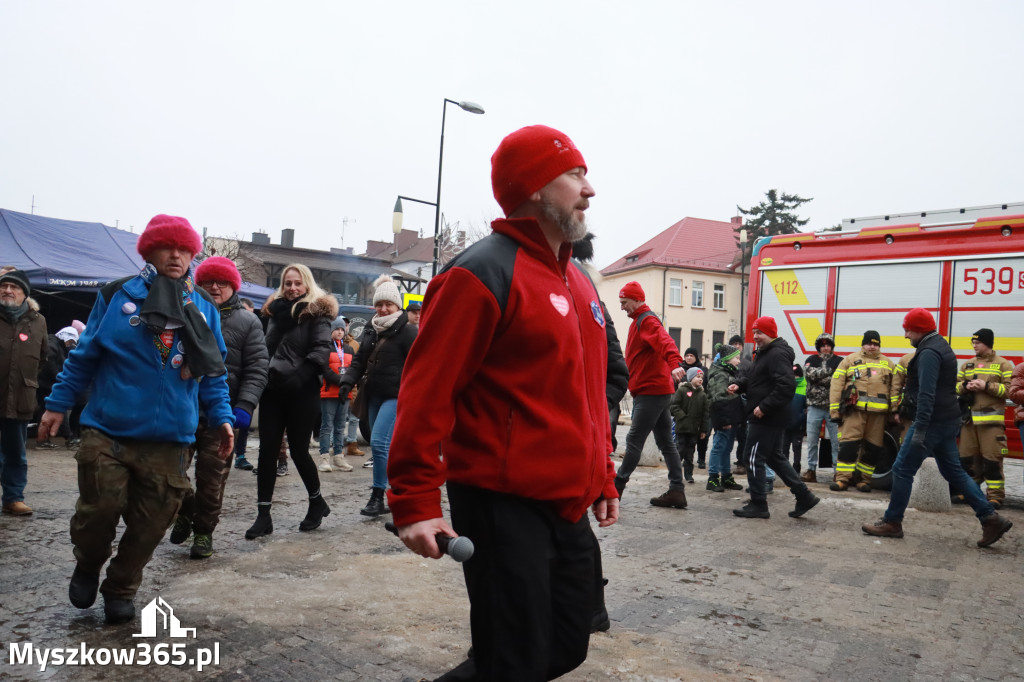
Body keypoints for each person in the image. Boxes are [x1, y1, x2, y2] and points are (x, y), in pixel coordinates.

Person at [386, 125, 618, 681]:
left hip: (565, 500)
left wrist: (603, 475)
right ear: (534, 188)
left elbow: (589, 394)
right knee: (513, 660)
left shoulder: (579, 282)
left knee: (569, 643)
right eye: (574, 175)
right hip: (500, 499)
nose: (590, 189)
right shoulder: (480, 272)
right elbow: (427, 391)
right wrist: (414, 500)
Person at [40, 214, 234, 624]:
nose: (177, 255)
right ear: (150, 250)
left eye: (185, 249)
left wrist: (223, 418)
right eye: (168, 247)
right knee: (99, 510)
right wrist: (58, 403)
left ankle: (121, 587)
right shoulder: (116, 295)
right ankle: (89, 564)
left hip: (171, 438)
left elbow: (213, 373)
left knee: (152, 523)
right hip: (109, 430)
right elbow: (85, 355)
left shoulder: (202, 308)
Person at [862, 309, 1012, 547]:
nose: (905, 335)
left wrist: (920, 427)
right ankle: (990, 518)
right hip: (946, 420)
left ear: (919, 328)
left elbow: (927, 393)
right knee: (953, 472)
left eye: (908, 329)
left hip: (932, 422)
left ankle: (892, 522)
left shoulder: (929, 352)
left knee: (901, 469)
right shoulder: (939, 345)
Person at [170, 256, 268, 559]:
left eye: (222, 282)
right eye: (209, 281)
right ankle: (185, 510)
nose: (215, 287)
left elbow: (257, 368)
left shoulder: (248, 321)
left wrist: (244, 405)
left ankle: (203, 532)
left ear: (232, 286)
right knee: (170, 476)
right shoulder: (183, 310)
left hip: (221, 414)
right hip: (182, 410)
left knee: (212, 481)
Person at [246, 263, 336, 539]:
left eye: (298, 283)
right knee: (267, 451)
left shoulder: (316, 314)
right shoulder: (273, 314)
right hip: (273, 390)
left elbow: (321, 350)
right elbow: (264, 347)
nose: (292, 288)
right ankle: (263, 515)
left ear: (307, 284)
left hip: (302, 391)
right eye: (288, 283)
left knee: (298, 451)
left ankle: (316, 501)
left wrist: (300, 378)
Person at [337, 274, 417, 516]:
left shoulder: (408, 331)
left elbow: (419, 366)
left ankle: (377, 495)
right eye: (379, 304)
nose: (383, 309)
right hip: (373, 394)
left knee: (380, 442)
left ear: (397, 306)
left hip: (396, 395)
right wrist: (346, 382)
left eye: (388, 304)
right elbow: (360, 360)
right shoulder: (371, 328)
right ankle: (400, 490)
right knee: (382, 445)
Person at [728, 316, 819, 519]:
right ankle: (804, 495)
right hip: (772, 415)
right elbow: (757, 379)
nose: (756, 336)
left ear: (771, 333)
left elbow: (786, 386)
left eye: (760, 332)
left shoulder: (776, 354)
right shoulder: (766, 353)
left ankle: (758, 503)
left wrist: (764, 407)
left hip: (767, 416)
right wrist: (740, 385)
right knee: (774, 457)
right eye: (754, 332)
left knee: (751, 457)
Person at [616, 281, 688, 508]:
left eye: (624, 302)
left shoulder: (646, 319)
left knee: (634, 441)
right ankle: (677, 490)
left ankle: (614, 490)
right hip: (656, 389)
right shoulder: (639, 320)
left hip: (650, 391)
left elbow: (664, 340)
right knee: (666, 442)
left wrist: (675, 362)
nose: (622, 307)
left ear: (636, 299)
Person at [1, 269, 47, 516]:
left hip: (20, 395)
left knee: (16, 452)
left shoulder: (38, 321)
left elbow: (42, 357)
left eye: (14, 287)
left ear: (24, 293)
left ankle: (13, 498)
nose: (8, 290)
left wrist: (22, 377)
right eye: (4, 285)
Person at [828, 330, 895, 492]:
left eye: (876, 344)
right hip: (854, 412)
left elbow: (895, 389)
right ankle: (843, 479)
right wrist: (835, 411)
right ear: (863, 344)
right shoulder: (850, 360)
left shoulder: (888, 363)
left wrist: (894, 411)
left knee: (873, 449)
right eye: (869, 343)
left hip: (878, 416)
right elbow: (836, 386)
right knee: (848, 446)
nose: (872, 346)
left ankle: (864, 481)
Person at [954, 328, 1014, 508]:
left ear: (987, 343)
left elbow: (1009, 391)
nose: (974, 346)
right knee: (967, 460)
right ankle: (968, 492)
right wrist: (966, 386)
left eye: (977, 342)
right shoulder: (967, 365)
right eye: (973, 342)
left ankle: (995, 497)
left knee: (992, 461)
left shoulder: (1003, 365)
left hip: (991, 423)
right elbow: (955, 388)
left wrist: (986, 386)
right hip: (969, 422)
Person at [705, 343, 746, 492]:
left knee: (727, 448)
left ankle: (726, 476)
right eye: (736, 358)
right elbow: (718, 398)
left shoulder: (728, 372)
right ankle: (713, 478)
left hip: (731, 416)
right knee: (719, 447)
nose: (739, 361)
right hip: (724, 418)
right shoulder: (720, 374)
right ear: (728, 360)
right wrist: (725, 421)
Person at [801, 332, 842, 482]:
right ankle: (811, 470)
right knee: (812, 440)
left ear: (832, 347)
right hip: (814, 407)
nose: (825, 348)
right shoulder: (811, 359)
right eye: (823, 345)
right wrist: (830, 372)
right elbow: (810, 375)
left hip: (833, 407)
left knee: (836, 442)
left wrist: (820, 377)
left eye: (828, 345)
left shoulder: (840, 361)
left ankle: (838, 472)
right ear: (819, 347)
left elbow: (840, 379)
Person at [317, 317, 355, 473]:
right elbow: (324, 370)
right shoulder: (325, 348)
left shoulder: (349, 349)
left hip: (344, 394)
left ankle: (339, 456)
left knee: (340, 427)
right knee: (327, 426)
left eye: (342, 329)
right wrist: (342, 381)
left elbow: (353, 369)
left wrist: (349, 383)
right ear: (331, 330)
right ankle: (324, 458)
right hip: (329, 392)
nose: (340, 332)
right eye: (336, 329)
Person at [36, 326, 79, 449]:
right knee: (59, 409)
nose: (70, 344)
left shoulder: (55, 345)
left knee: (44, 411)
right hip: (46, 384)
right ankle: (69, 438)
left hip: (45, 383)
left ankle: (43, 440)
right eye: (70, 341)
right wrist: (59, 377)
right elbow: (49, 363)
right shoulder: (52, 344)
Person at [670, 367, 708, 484]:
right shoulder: (682, 391)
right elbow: (674, 406)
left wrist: (703, 430)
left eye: (702, 377)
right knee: (680, 450)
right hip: (682, 427)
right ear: (691, 378)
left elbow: (705, 414)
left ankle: (689, 474)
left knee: (690, 453)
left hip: (694, 429)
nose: (700, 379)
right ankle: (675, 474)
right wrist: (681, 416)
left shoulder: (702, 395)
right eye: (697, 377)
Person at [680, 348, 709, 468]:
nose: (689, 358)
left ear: (696, 357)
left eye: (691, 355)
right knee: (684, 439)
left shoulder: (703, 370)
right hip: (685, 410)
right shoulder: (680, 370)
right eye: (687, 355)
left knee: (702, 436)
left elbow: (707, 386)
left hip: (699, 408)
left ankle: (701, 459)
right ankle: (685, 460)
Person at [784, 364, 807, 473]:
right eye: (792, 376)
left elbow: (807, 408)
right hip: (785, 423)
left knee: (797, 448)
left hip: (798, 424)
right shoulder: (785, 386)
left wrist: (802, 419)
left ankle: (796, 469)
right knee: (784, 448)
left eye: (796, 376)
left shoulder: (805, 387)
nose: (794, 378)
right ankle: (784, 469)